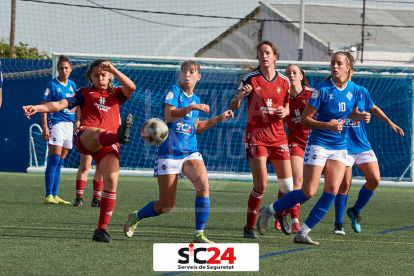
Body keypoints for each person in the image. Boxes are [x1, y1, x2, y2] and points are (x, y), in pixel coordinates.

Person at [256, 51, 370, 245]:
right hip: (318, 143)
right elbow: (304, 120)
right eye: (332, 63)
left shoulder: (354, 89)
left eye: (339, 63)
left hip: (340, 145)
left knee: (332, 190)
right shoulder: (322, 90)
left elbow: (350, 112)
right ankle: (270, 210)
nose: (334, 67)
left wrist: (361, 116)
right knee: (308, 191)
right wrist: (328, 125)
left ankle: (303, 232)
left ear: (347, 68)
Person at [23, 59, 136, 243]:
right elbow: (59, 105)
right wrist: (37, 108)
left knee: (112, 180)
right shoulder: (83, 92)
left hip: (108, 143)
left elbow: (131, 87)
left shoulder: (116, 93)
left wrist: (113, 69)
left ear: (110, 77)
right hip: (87, 135)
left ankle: (101, 230)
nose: (100, 78)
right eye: (96, 75)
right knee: (98, 134)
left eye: (104, 75)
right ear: (90, 76)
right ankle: (119, 136)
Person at [123, 60, 234, 243]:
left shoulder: (196, 99)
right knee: (166, 205)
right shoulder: (174, 91)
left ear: (199, 77)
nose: (187, 75)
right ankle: (136, 216)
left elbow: (196, 127)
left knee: (203, 186)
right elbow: (168, 115)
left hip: (190, 151)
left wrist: (219, 118)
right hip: (169, 153)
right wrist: (190, 108)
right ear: (180, 75)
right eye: (184, 71)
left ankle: (199, 234)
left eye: (192, 72)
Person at [229, 40, 293, 239]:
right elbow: (233, 104)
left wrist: (285, 111)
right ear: (258, 58)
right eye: (260, 53)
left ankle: (279, 213)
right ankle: (248, 227)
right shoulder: (250, 79)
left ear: (275, 57)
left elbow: (288, 106)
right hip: (257, 137)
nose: (264, 56)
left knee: (288, 187)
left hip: (279, 136)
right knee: (261, 186)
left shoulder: (284, 81)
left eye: (268, 53)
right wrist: (240, 96)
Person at [334, 75, 404, 235]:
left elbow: (373, 107)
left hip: (362, 144)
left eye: (346, 67)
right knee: (345, 184)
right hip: (343, 145)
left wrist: (390, 122)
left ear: (349, 71)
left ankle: (355, 211)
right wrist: (355, 116)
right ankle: (338, 224)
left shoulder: (360, 91)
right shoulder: (332, 93)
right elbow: (336, 114)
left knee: (374, 180)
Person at [40, 55, 76, 205]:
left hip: (69, 125)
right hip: (55, 123)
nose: (64, 70)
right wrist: (45, 126)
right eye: (61, 68)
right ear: (57, 69)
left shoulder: (73, 85)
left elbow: (77, 105)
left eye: (66, 68)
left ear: (70, 69)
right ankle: (48, 195)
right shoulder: (51, 84)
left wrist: (78, 122)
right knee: (54, 159)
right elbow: (43, 106)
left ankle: (55, 195)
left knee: (61, 161)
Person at [283, 64, 314, 234]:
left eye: (295, 72)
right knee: (297, 179)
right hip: (295, 142)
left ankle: (281, 210)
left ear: (301, 76)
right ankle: (295, 221)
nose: (291, 75)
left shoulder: (312, 94)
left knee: (309, 191)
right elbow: (282, 121)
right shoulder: (283, 97)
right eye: (288, 73)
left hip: (314, 144)